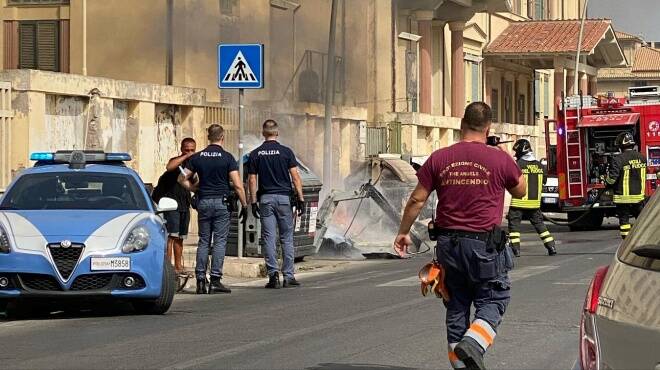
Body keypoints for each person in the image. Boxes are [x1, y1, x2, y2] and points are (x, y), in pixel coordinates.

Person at [393, 102, 526, 370]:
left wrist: (403, 232)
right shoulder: (499, 159)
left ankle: (462, 366)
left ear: (461, 124)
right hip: (484, 245)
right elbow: (521, 191)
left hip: (448, 247)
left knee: (456, 304)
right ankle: (475, 344)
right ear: (488, 129)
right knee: (493, 299)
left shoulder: (439, 158)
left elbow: (417, 199)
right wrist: (505, 158)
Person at [179, 124, 248, 294]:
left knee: (203, 241)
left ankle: (201, 280)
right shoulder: (227, 158)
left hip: (203, 202)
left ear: (208, 137)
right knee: (219, 241)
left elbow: (182, 178)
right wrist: (245, 205)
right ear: (222, 137)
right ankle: (215, 279)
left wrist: (194, 189)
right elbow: (238, 185)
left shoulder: (198, 157)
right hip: (221, 203)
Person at [247, 120, 305, 289]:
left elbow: (252, 179)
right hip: (284, 200)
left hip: (265, 199)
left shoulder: (255, 154)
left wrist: (253, 202)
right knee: (286, 237)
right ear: (277, 133)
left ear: (263, 133)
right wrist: (300, 198)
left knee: (268, 238)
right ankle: (288, 276)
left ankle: (273, 276)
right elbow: (295, 177)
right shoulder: (286, 152)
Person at [152, 138, 196, 278]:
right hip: (171, 204)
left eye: (192, 150)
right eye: (186, 150)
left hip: (184, 204)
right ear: (182, 149)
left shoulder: (194, 164)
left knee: (180, 237)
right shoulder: (177, 162)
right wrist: (184, 157)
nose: (189, 153)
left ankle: (178, 266)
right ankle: (168, 267)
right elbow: (169, 166)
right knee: (171, 236)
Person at [506, 138, 557, 257]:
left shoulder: (518, 165)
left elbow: (511, 181)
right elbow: (544, 181)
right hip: (534, 203)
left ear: (521, 151)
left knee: (514, 226)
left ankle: (516, 250)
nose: (515, 154)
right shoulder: (540, 166)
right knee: (540, 226)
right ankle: (551, 246)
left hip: (519, 202)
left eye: (516, 152)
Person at [605, 132, 647, 239]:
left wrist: (606, 180)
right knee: (641, 220)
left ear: (620, 146)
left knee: (624, 222)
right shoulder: (642, 157)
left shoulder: (618, 159)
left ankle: (626, 243)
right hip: (639, 197)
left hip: (622, 198)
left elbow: (612, 180)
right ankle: (643, 240)